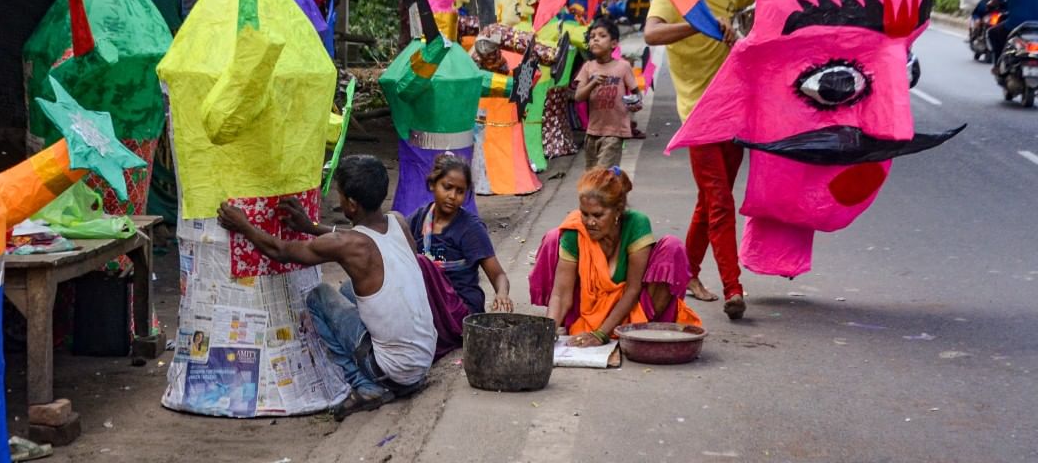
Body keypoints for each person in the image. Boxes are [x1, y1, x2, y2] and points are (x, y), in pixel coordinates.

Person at [217, 155, 435, 420]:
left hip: (394, 370)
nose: (339, 200)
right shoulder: (398, 221)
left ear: (351, 204)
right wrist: (310, 227)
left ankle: (365, 385)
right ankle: (385, 378)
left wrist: (244, 225)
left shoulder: (350, 244)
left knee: (319, 297)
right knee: (346, 292)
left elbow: (281, 250)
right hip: (422, 363)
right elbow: (352, 238)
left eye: (341, 195)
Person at [643, 0, 755, 320]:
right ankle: (733, 288)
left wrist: (748, 30)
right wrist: (695, 22)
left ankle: (685, 274)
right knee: (721, 200)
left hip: (735, 108)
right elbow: (652, 32)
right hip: (699, 113)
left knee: (710, 201)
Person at [535, 167, 700, 347]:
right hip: (586, 311)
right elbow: (561, 294)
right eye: (585, 214)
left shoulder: (636, 223)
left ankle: (640, 330)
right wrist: (547, 333)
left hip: (632, 309)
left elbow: (632, 290)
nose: (589, 222)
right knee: (553, 238)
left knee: (672, 246)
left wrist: (600, 334)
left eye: (598, 215)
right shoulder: (575, 230)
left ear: (618, 211)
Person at [408, 155, 513, 315]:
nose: (452, 196)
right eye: (447, 187)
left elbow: (498, 275)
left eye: (460, 191)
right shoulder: (418, 219)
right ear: (432, 185)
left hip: (459, 307)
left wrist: (502, 294)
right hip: (425, 303)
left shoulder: (470, 229)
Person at [574, 18, 640, 170]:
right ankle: (612, 193)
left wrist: (635, 103)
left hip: (615, 132)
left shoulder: (622, 66)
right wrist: (593, 83)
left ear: (614, 44)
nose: (595, 39)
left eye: (602, 35)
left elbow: (637, 93)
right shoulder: (588, 67)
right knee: (592, 175)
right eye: (592, 36)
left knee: (602, 173)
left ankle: (604, 193)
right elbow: (578, 96)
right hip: (592, 132)